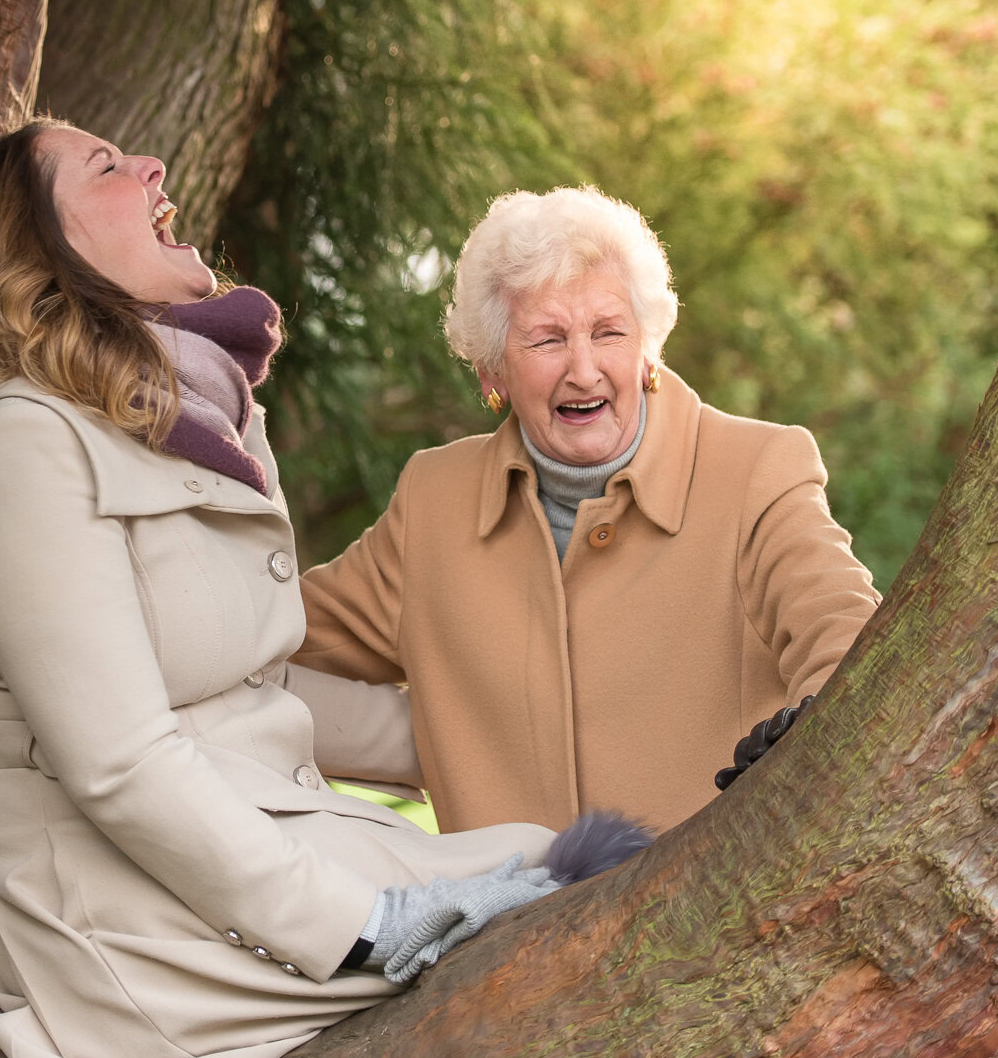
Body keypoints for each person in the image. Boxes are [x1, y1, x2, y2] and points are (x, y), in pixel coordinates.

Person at [0, 124, 639, 1058]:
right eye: (104, 169)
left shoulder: (185, 414)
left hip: (228, 856)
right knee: (557, 906)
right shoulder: (27, 442)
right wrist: (364, 924)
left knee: (569, 858)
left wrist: (494, 729)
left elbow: (253, 682)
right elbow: (118, 760)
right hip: (119, 926)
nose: (151, 167)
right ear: (34, 254)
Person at [293, 186, 882, 834]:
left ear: (647, 350)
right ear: (493, 373)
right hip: (505, 931)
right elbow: (272, 640)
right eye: (547, 339)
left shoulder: (757, 470)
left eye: (608, 332)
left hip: (720, 919)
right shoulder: (435, 503)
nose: (583, 369)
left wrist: (796, 769)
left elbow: (848, 637)